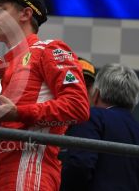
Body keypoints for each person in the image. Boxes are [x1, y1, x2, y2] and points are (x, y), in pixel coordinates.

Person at [0, 0, 89, 191]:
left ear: (25, 14)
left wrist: (17, 113)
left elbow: (78, 107)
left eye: (2, 9)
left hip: (31, 174)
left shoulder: (49, 49)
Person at [60, 63, 139, 191]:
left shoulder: (91, 117)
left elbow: (79, 165)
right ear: (134, 101)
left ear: (96, 94)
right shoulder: (136, 128)